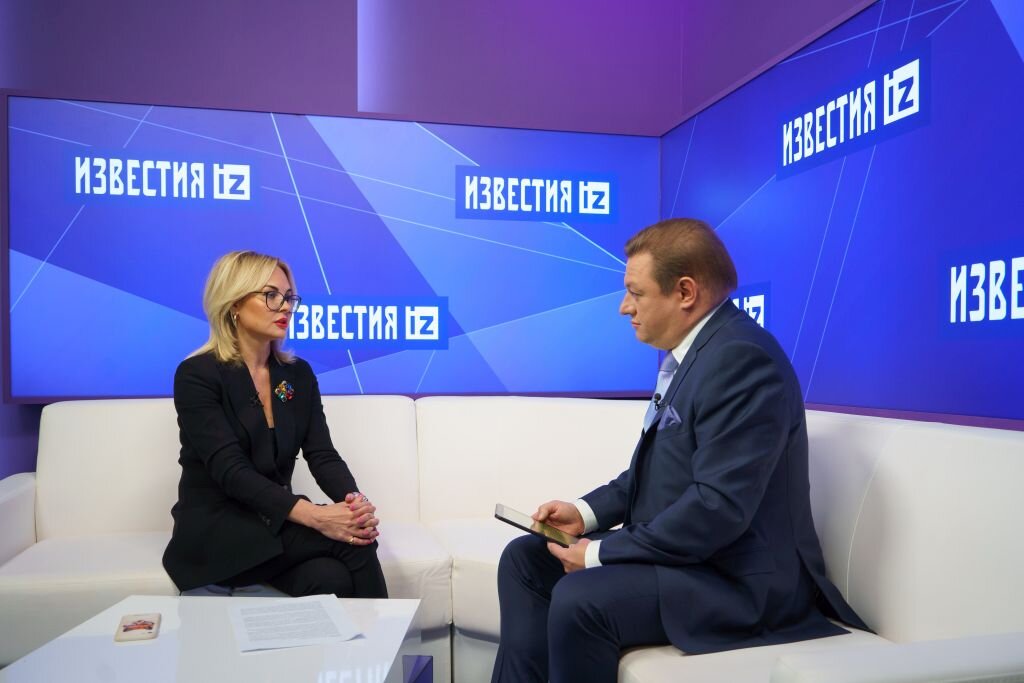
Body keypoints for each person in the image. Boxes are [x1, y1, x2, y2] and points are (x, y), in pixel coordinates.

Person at [491, 218, 867, 683]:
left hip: (738, 583)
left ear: (685, 292)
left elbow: (716, 508)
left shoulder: (743, 360)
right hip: (693, 560)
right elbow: (652, 473)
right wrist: (584, 515)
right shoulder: (696, 355)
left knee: (580, 597)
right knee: (526, 559)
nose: (624, 307)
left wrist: (598, 554)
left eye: (636, 292)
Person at [162, 250, 388, 599]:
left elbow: (322, 455)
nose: (285, 307)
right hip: (218, 530)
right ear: (234, 304)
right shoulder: (197, 375)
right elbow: (230, 471)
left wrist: (355, 504)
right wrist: (315, 516)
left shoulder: (296, 375)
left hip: (272, 521)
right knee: (356, 543)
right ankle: (388, 638)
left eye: (289, 297)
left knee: (332, 578)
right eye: (271, 295)